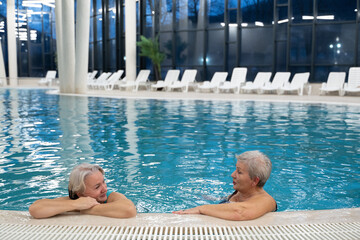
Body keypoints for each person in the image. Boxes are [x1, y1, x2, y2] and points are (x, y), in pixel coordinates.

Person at [173, 151, 277, 221]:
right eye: (236, 169)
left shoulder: (267, 201)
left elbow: (240, 212)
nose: (233, 174)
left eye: (239, 172)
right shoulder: (241, 192)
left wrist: (200, 209)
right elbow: (227, 203)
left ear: (254, 181)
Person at [29, 163, 136, 219]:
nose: (105, 189)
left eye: (104, 182)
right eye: (97, 187)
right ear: (80, 194)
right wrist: (75, 205)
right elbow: (35, 209)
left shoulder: (111, 197)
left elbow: (129, 209)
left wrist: (86, 210)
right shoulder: (75, 202)